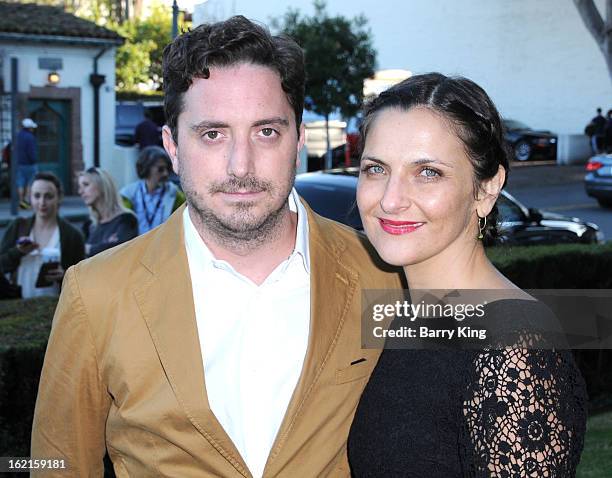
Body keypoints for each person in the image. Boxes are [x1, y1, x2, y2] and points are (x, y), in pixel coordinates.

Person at [31, 16, 403, 477]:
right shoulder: (96, 292)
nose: (240, 164)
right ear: (172, 147)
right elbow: (56, 462)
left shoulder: (383, 276)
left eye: (266, 131)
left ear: (299, 140)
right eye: (213, 134)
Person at [347, 73, 587, 476]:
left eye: (428, 173)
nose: (390, 199)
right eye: (376, 169)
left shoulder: (514, 348)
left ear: (487, 189)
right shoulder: (413, 317)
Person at [0, 172, 84, 298]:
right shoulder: (18, 226)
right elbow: (2, 265)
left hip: (57, 308)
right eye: (37, 196)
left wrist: (64, 276)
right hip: (20, 306)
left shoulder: (72, 235)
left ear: (59, 198)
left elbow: (82, 279)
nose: (42, 202)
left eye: (48, 196)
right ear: (30, 198)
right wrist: (17, 252)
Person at [119, 145, 185, 235]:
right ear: (147, 169)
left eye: (167, 169)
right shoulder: (129, 194)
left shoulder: (175, 194)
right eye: (160, 169)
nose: (165, 173)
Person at [78, 167, 138, 257]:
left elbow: (118, 251)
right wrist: (104, 245)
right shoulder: (90, 224)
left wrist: (88, 248)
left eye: (86, 185)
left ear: (102, 185)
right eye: (80, 187)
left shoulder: (127, 219)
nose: (80, 191)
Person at [15, 118, 38, 209]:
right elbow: (31, 152)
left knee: (20, 183)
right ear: (29, 128)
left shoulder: (17, 136)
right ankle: (27, 202)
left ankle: (21, 202)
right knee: (30, 183)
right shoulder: (30, 137)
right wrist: (33, 160)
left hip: (19, 163)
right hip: (29, 164)